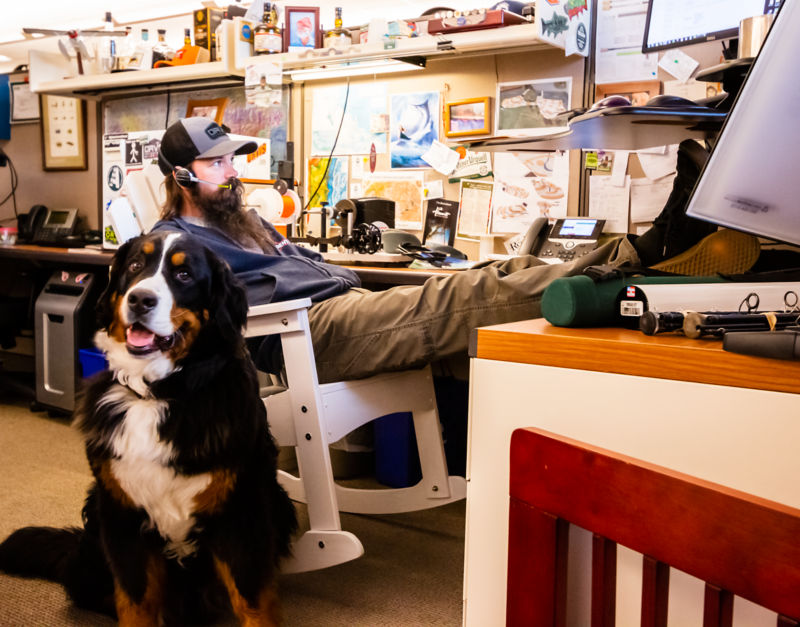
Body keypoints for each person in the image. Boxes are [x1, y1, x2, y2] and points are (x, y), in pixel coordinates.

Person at [150, 118, 755, 384]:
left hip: (345, 304)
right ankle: (648, 253)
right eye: (216, 162)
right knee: (478, 294)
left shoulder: (244, 223)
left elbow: (301, 265)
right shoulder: (174, 247)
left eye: (233, 159)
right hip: (309, 333)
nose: (231, 172)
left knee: (502, 270)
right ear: (180, 174)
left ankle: (643, 252)